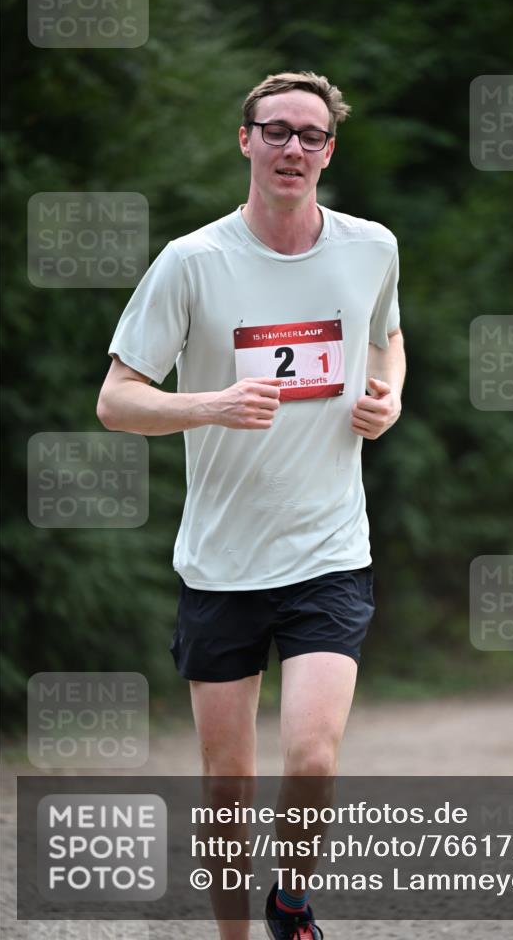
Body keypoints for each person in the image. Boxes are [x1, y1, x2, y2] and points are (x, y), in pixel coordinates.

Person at [97, 70, 405, 940]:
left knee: (311, 754)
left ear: (329, 151)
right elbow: (117, 399)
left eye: (310, 135)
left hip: (329, 549)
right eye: (275, 131)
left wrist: (388, 394)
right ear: (245, 140)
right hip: (223, 561)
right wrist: (210, 404)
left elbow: (386, 331)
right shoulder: (192, 262)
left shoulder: (370, 245)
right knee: (226, 785)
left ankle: (292, 900)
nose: (292, 149)